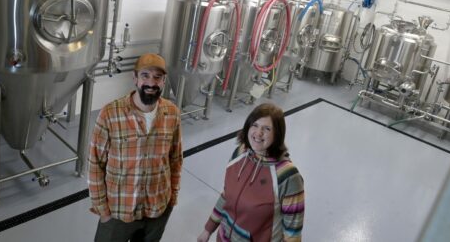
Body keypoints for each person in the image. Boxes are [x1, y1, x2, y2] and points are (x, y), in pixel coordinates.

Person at [88, 53, 182, 242]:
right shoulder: (110, 113)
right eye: (145, 75)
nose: (151, 82)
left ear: (164, 82)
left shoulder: (172, 112)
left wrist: (172, 198)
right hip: (119, 211)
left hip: (157, 208)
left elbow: (175, 158)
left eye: (157, 77)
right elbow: (95, 163)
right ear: (135, 78)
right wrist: (103, 210)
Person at [197, 103, 305, 242]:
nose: (258, 133)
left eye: (266, 128)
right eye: (255, 125)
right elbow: (226, 196)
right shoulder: (239, 153)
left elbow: (293, 232)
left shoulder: (287, 176)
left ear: (277, 134)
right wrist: (208, 229)